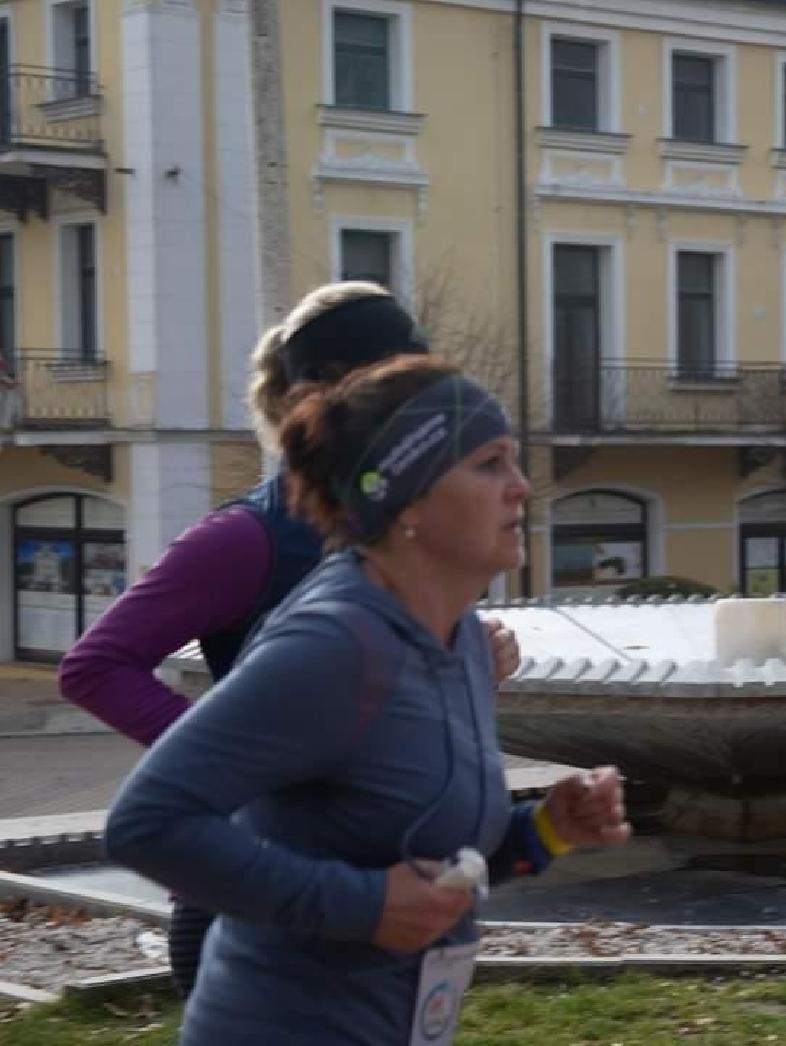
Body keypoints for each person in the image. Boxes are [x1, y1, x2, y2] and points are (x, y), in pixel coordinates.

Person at [105, 357, 630, 1046]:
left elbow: (432, 856)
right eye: (489, 464)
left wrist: (548, 829)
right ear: (407, 500)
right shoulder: (332, 645)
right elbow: (145, 824)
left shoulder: (463, 639)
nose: (521, 488)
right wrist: (363, 907)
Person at [58, 282, 520, 998]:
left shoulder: (407, 533)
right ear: (324, 398)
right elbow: (95, 665)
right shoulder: (246, 539)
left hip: (369, 917)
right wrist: (235, 756)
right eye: (396, 383)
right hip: (245, 907)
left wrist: (459, 675)